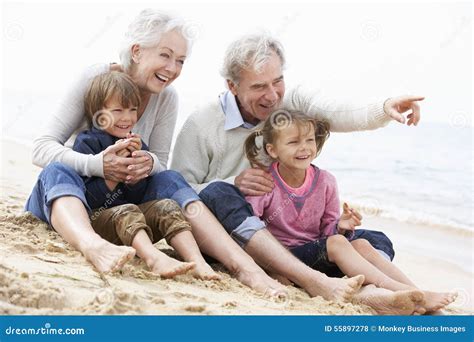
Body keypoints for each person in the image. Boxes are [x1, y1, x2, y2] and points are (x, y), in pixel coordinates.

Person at [25, 10, 291, 298]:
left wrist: (148, 162)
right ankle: (93, 246)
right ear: (137, 51)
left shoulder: (166, 97)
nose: (173, 68)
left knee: (170, 178)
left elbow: (161, 163)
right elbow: (42, 147)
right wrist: (98, 164)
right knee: (55, 170)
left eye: (180, 60)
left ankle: (243, 267)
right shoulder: (96, 78)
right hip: (74, 206)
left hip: (126, 211)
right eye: (165, 55)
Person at [171, 33, 432, 313]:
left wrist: (384, 108)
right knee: (219, 192)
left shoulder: (291, 104)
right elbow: (179, 193)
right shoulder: (202, 123)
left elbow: (337, 111)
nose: (272, 96)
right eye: (259, 86)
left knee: (375, 240)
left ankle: (370, 290)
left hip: (292, 243)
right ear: (232, 86)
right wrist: (233, 183)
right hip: (236, 238)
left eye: (278, 81)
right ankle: (312, 279)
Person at [243, 109, 457, 313]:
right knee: (337, 243)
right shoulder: (263, 182)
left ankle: (414, 290)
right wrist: (272, 268)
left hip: (318, 256)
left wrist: (340, 226)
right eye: (293, 142)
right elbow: (253, 231)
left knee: (361, 244)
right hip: (285, 258)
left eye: (309, 140)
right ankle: (404, 291)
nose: (305, 148)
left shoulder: (325, 181)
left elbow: (327, 234)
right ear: (272, 150)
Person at [69, 71, 223, 279]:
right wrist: (113, 175)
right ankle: (153, 258)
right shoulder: (87, 143)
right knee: (126, 209)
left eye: (133, 110)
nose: (128, 118)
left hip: (135, 227)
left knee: (167, 206)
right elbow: (89, 198)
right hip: (100, 222)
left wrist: (137, 176)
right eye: (118, 110)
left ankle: (196, 260)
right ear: (98, 113)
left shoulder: (136, 144)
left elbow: (140, 194)